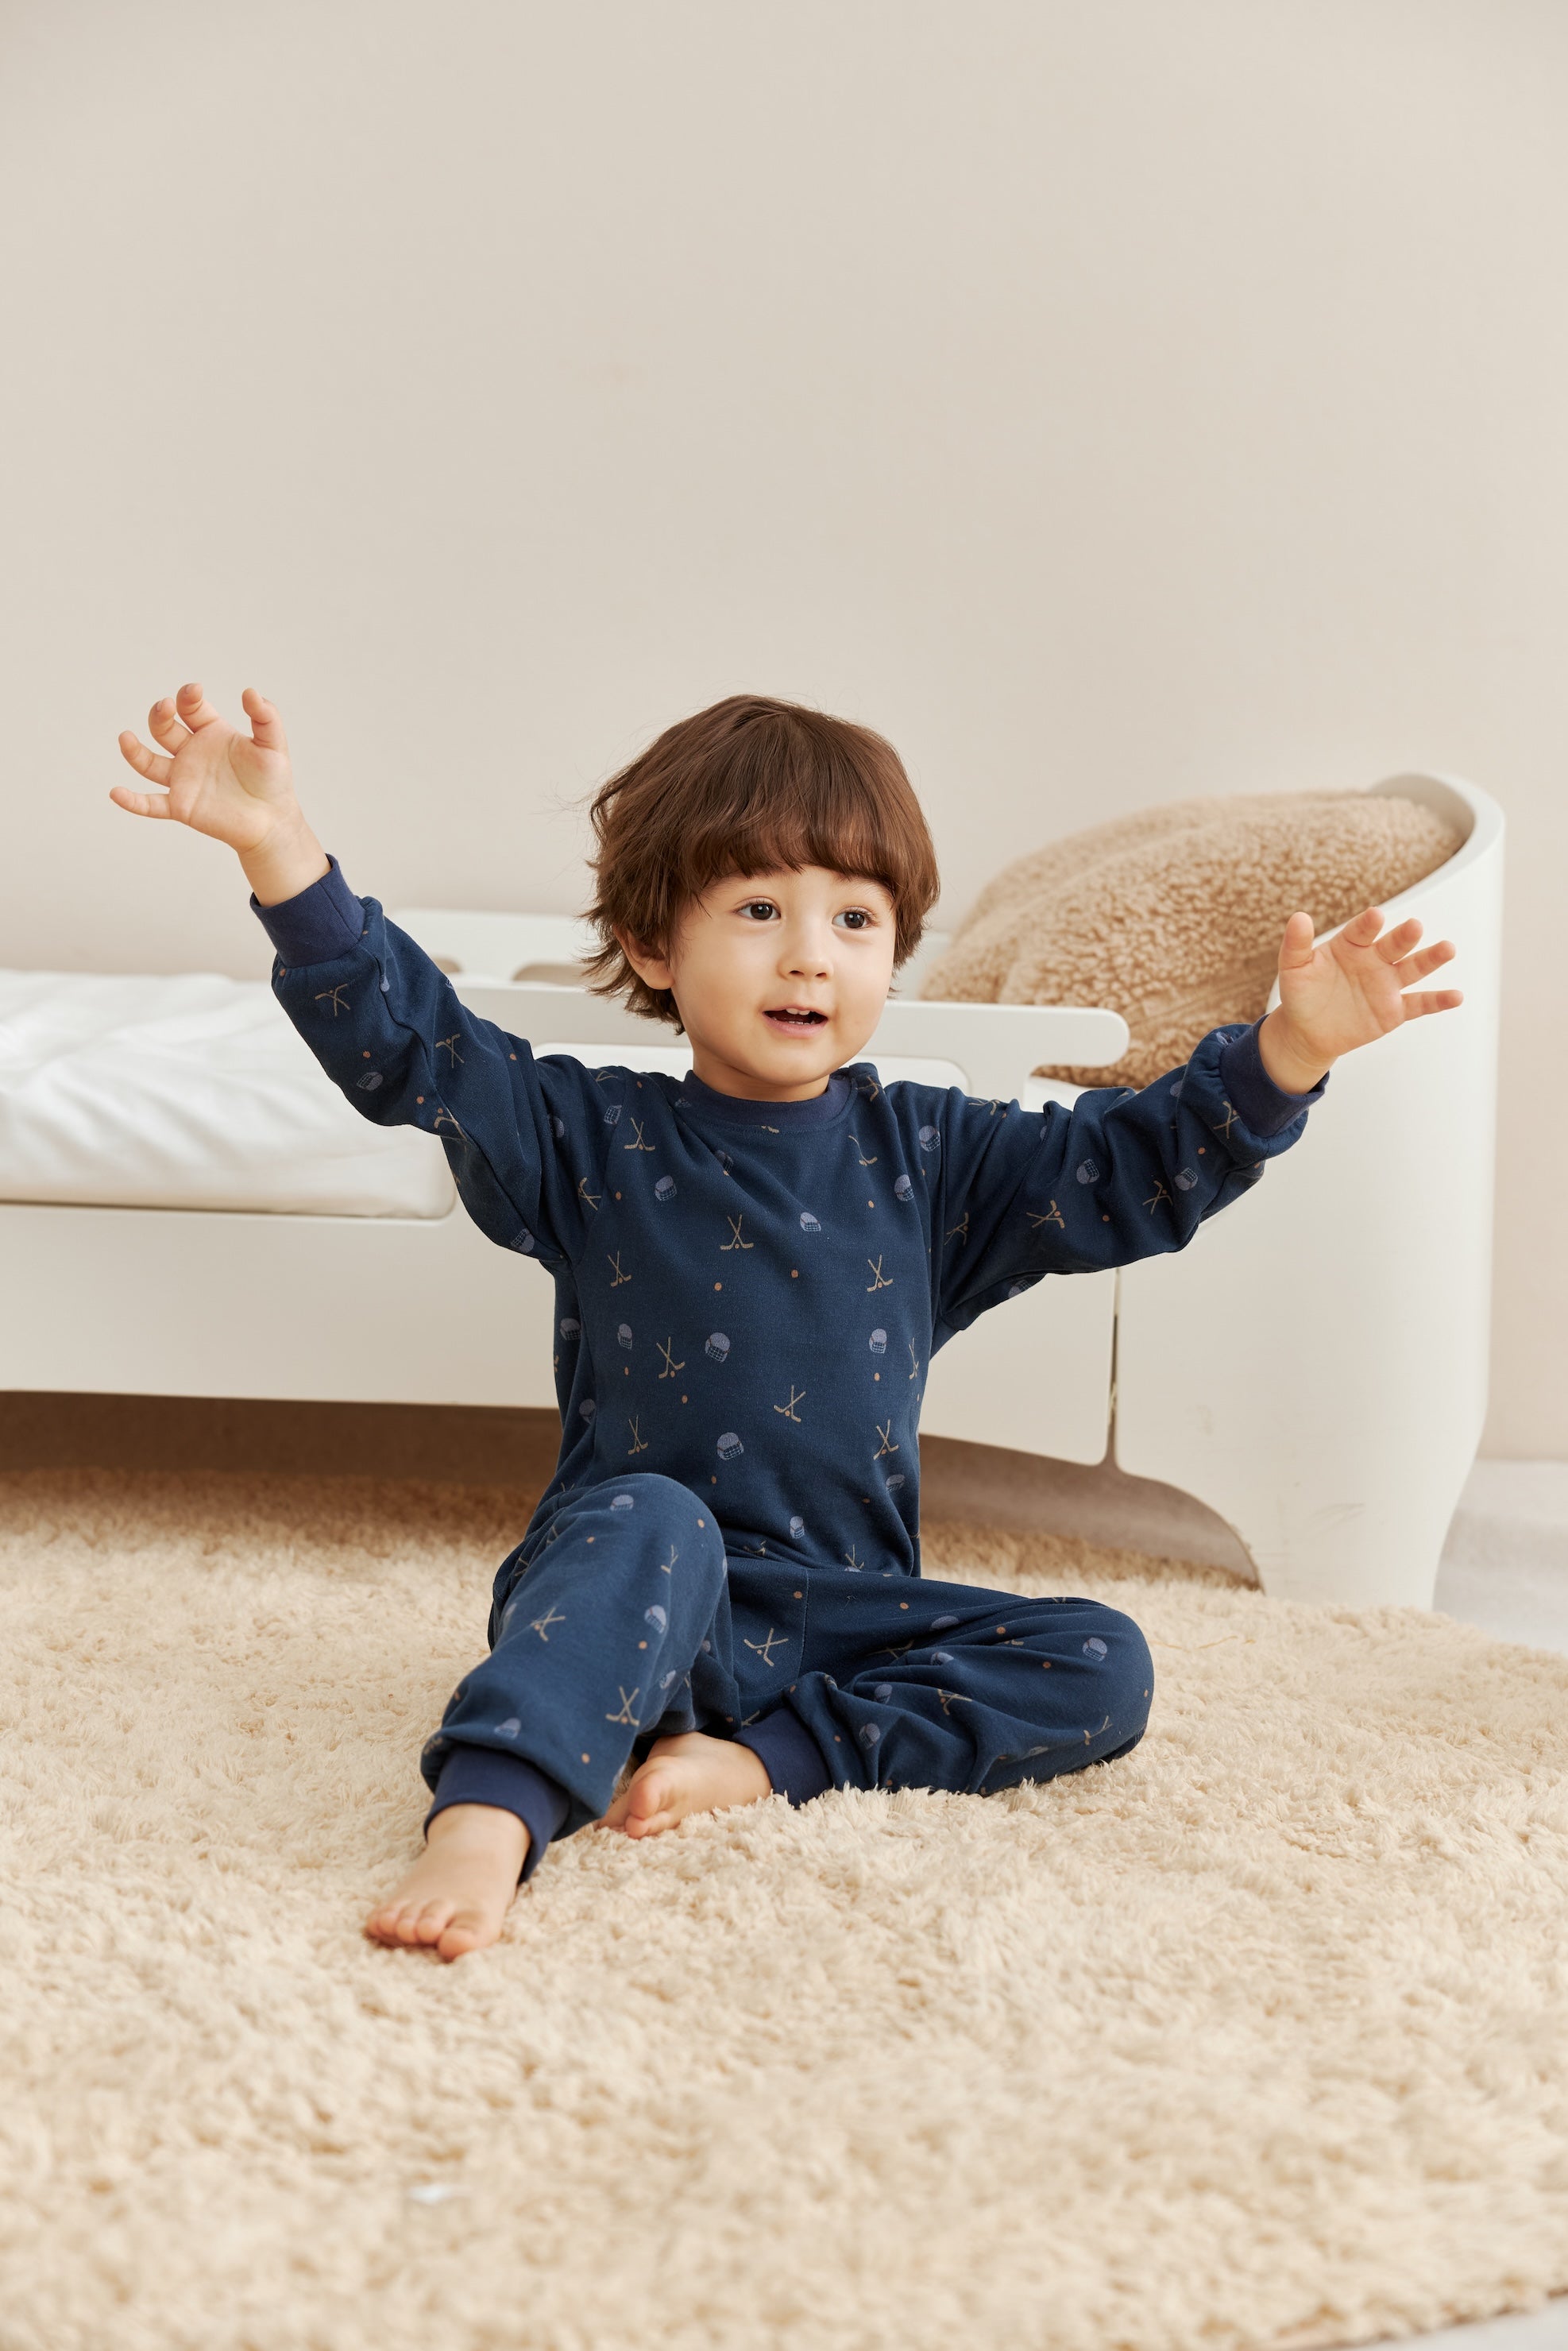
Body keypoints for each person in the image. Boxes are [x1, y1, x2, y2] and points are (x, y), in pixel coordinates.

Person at [112, 682, 1461, 1961]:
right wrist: (282, 849)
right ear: (654, 943)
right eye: (758, 908)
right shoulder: (590, 1129)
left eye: (855, 919)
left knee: (1102, 1658)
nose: (811, 954)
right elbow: (418, 1050)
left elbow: (1126, 1169)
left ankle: (760, 1763)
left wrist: (1286, 1053)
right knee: (646, 1518)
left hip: (846, 1615)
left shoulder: (929, 1155)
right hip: (640, 1589)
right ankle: (491, 1817)